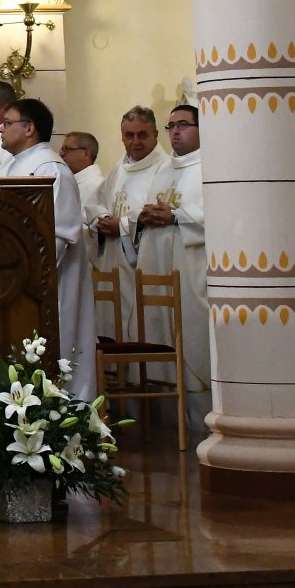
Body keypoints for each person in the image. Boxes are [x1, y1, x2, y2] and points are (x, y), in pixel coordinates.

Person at [0, 98, 96, 402]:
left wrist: (24, 276)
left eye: (8, 122)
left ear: (29, 128)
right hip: (17, 282)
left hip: (50, 285)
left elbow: (60, 235)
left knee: (58, 355)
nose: (0, 130)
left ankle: (62, 418)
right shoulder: (17, 166)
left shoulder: (53, 170)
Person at [92, 106, 173, 339]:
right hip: (112, 257)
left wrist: (124, 226)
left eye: (142, 135)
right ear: (121, 136)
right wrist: (101, 219)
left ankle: (138, 371)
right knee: (112, 319)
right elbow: (99, 200)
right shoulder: (119, 167)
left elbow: (155, 211)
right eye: (129, 135)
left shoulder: (164, 168)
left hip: (141, 258)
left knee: (139, 323)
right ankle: (115, 373)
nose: (135, 141)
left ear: (156, 135)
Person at [160, 104, 210, 430]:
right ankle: (179, 424)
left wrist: (175, 216)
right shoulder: (164, 171)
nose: (176, 131)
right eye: (172, 126)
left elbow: (217, 214)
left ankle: (208, 422)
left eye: (184, 125)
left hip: (195, 269)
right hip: (166, 269)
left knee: (195, 340)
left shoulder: (211, 165)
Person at [60, 130, 105, 218]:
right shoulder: (67, 180)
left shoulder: (98, 185)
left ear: (86, 153)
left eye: (67, 149)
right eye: (62, 149)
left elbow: (88, 225)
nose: (61, 154)